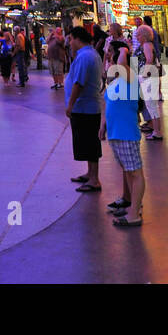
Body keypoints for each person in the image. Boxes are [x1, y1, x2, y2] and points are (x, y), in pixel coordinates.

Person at [101, 41, 145, 228]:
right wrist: (103, 126)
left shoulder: (130, 77)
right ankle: (132, 206)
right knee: (128, 171)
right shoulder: (117, 80)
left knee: (135, 173)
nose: (109, 56)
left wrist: (122, 49)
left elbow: (120, 59)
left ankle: (134, 214)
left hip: (127, 133)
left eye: (112, 53)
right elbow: (109, 105)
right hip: (116, 134)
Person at [65, 27, 105, 191]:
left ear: (76, 38)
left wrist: (70, 104)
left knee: (89, 143)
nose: (69, 43)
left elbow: (79, 83)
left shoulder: (85, 56)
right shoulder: (89, 54)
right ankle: (90, 173)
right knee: (88, 142)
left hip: (84, 107)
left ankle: (94, 179)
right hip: (87, 106)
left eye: (70, 39)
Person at [136, 22, 164, 138]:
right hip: (148, 77)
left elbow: (149, 59)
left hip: (148, 78)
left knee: (152, 105)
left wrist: (144, 75)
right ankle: (156, 130)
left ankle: (157, 131)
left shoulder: (147, 45)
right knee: (151, 105)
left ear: (144, 35)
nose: (137, 37)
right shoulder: (147, 45)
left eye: (138, 35)